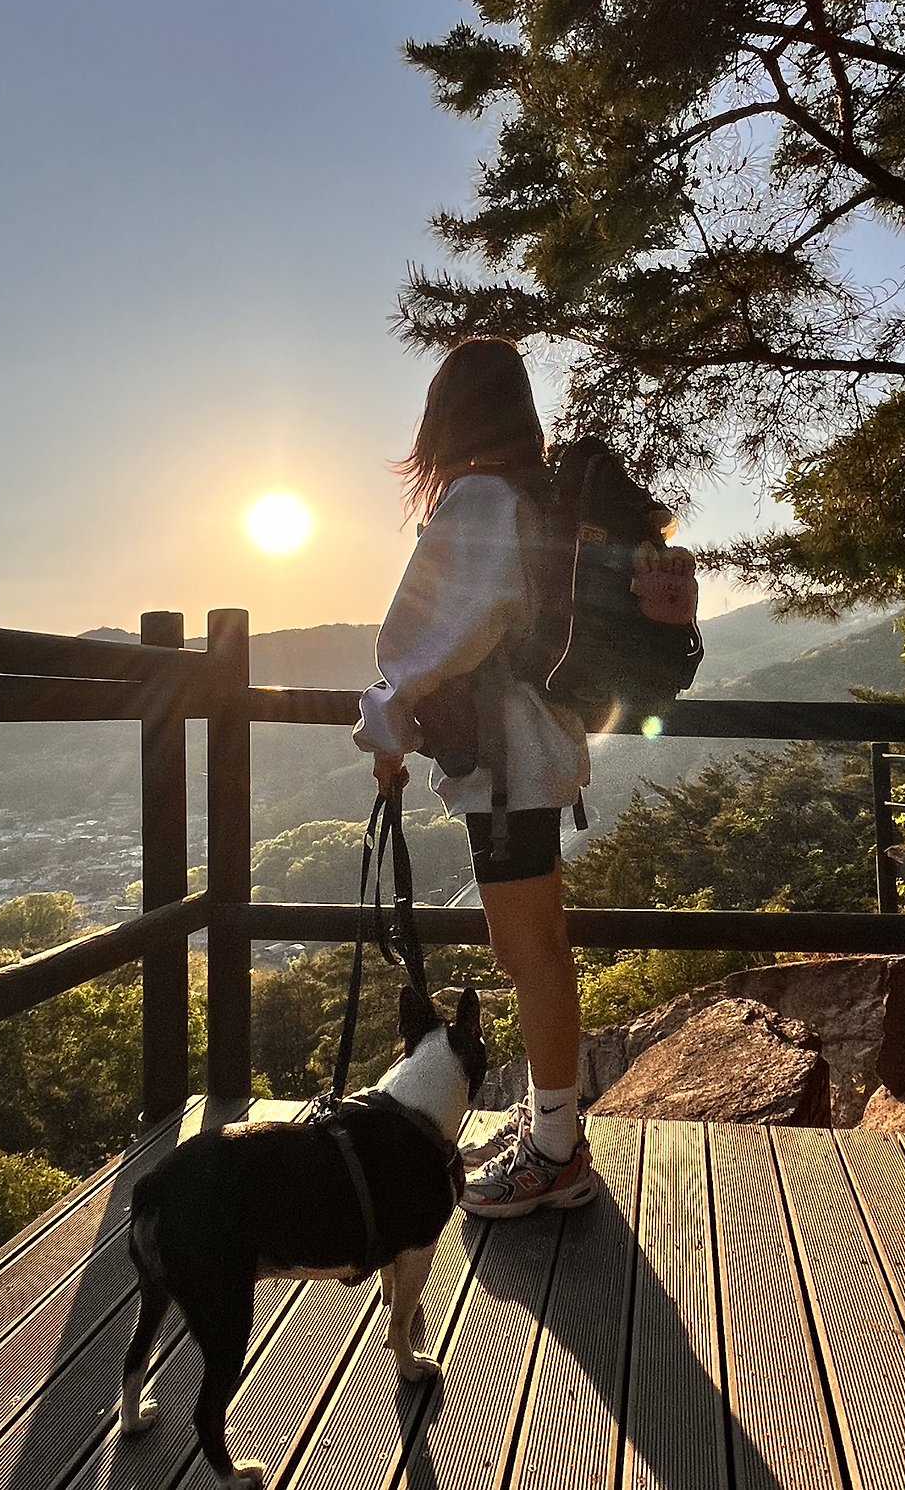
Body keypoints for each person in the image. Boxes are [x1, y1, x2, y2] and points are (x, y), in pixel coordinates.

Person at [353, 336, 597, 1218]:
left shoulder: (481, 499)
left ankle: (556, 1154)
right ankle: (553, 1126)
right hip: (533, 751)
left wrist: (386, 729)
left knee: (530, 957)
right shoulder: (529, 495)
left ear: (447, 417)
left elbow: (427, 641)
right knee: (537, 951)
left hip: (507, 766)